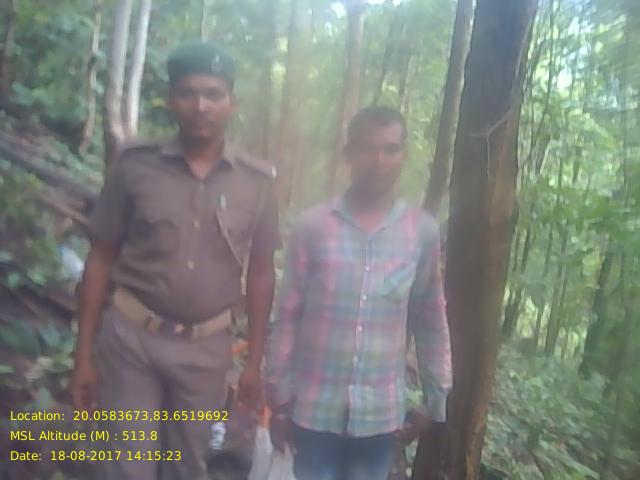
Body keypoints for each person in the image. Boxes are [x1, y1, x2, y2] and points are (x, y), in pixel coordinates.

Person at [70, 41, 280, 480]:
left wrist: (254, 363)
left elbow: (261, 272)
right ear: (170, 100)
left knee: (187, 467)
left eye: (213, 94)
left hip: (206, 351)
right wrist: (83, 353)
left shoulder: (257, 183)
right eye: (188, 93)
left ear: (232, 102)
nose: (200, 106)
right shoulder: (134, 166)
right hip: (130, 342)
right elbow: (101, 258)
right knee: (126, 469)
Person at [265, 106, 452, 480]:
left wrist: (435, 400)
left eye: (390, 149)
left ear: (403, 155)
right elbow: (287, 316)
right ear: (349, 153)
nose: (379, 160)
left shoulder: (421, 232)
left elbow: (431, 318)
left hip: (380, 421)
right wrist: (278, 398)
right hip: (312, 412)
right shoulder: (313, 227)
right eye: (367, 148)